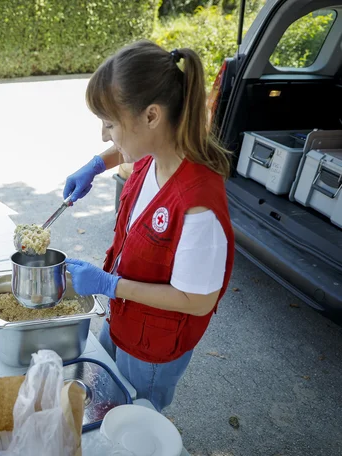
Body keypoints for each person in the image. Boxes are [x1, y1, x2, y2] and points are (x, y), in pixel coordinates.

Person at [63, 40, 235, 413]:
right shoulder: (153, 152)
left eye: (110, 124)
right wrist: (96, 164)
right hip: (124, 316)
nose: (105, 135)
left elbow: (198, 299)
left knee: (135, 416)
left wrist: (110, 284)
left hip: (153, 345)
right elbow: (123, 147)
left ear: (152, 116)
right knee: (106, 395)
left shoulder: (198, 205)